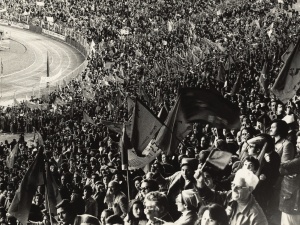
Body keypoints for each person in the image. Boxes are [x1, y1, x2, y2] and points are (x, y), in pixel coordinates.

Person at [194, 168, 268, 225]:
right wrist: (201, 183)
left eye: (238, 187)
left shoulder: (257, 217)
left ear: (250, 189)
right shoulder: (230, 196)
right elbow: (211, 196)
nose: (233, 189)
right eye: (233, 184)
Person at [278, 131, 300, 225]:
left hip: (293, 201)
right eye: (297, 142)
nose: (297, 145)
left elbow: (281, 168)